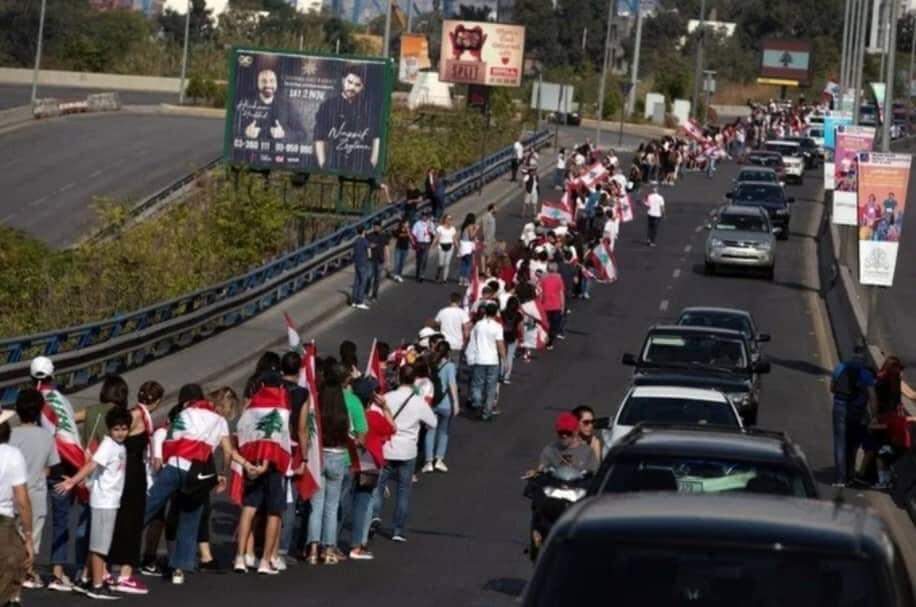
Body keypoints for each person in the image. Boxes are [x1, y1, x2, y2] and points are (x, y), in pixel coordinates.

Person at [144, 384, 260, 585]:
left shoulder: (188, 411)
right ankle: (179, 568)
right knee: (190, 519)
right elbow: (227, 452)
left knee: (148, 507)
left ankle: (119, 553)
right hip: (196, 474)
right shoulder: (220, 421)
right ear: (224, 407)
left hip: (174, 465)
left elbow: (166, 434)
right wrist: (223, 474)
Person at [55, 407, 132, 600]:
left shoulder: (119, 446)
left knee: (98, 543)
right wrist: (72, 481)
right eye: (116, 429)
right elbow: (91, 465)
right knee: (100, 546)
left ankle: (85, 578)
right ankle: (97, 585)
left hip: (109, 500)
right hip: (104, 502)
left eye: (124, 428)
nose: (121, 432)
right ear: (109, 429)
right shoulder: (108, 445)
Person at [30, 356, 88, 593]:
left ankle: (29, 570)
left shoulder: (35, 400)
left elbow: (45, 435)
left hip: (46, 465)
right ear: (53, 375)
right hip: (65, 466)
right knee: (61, 520)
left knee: (33, 520)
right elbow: (68, 433)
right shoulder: (62, 400)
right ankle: (57, 573)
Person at [107, 381, 164, 595]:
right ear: (157, 401)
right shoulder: (137, 416)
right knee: (130, 521)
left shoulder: (138, 413)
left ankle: (115, 568)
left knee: (125, 520)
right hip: (131, 471)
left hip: (132, 469)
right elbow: (118, 437)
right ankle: (124, 573)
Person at [372, 365, 437, 542]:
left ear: (399, 378)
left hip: (387, 448)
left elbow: (373, 414)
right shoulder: (418, 402)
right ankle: (398, 530)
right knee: (403, 491)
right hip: (408, 450)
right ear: (414, 380)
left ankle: (374, 516)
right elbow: (433, 422)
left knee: (378, 485)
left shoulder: (387, 397)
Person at [9, 389, 58, 592]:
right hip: (36, 493)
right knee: (32, 537)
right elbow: (51, 465)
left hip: (11, 492)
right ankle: (28, 573)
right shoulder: (46, 437)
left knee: (12, 535)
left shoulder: (10, 434)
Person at [349, 377, 395, 560]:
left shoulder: (350, 411)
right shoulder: (374, 417)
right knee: (365, 504)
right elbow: (392, 427)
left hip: (349, 460)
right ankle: (359, 543)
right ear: (370, 399)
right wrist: (385, 407)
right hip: (370, 463)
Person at [314, 64, 380, 174]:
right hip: (334, 165)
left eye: (357, 85)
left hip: (361, 167)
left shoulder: (368, 108)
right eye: (349, 82)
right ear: (343, 80)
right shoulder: (328, 105)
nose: (352, 87)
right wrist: (322, 164)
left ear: (362, 87)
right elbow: (318, 136)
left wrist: (372, 163)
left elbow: (376, 137)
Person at [0, 408, 34, 607]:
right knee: (15, 563)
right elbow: (22, 500)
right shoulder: (12, 455)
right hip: (3, 521)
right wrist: (29, 536)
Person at [830, 347, 877, 487]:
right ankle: (850, 476)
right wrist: (874, 416)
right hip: (856, 410)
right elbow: (873, 397)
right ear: (863, 361)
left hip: (839, 405)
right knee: (852, 443)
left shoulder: (840, 367)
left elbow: (832, 388)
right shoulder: (866, 374)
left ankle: (840, 479)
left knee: (840, 442)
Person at [236, 66, 303, 142]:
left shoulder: (287, 106)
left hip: (278, 152)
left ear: (276, 83)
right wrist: (245, 132)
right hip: (251, 152)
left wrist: (284, 134)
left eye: (272, 81)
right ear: (258, 83)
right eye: (263, 81)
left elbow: (302, 134)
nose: (268, 85)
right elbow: (232, 127)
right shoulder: (245, 103)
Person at [422, 341, 460, 473]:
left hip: (431, 403)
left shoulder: (430, 364)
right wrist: (456, 402)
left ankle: (428, 461)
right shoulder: (450, 366)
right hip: (445, 403)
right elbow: (452, 385)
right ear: (448, 352)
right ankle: (439, 459)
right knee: (443, 432)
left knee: (430, 431)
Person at [466, 301, 506, 421]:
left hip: (479, 359)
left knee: (477, 384)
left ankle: (477, 401)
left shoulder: (478, 325)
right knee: (491, 387)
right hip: (493, 360)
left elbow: (472, 339)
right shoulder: (498, 327)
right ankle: (487, 412)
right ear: (495, 313)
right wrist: (504, 359)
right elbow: (500, 344)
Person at [434, 292, 471, 365]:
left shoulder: (442, 311)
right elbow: (466, 332)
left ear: (450, 301)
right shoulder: (463, 313)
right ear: (459, 302)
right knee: (454, 367)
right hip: (457, 344)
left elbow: (436, 324)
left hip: (444, 344)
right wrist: (466, 343)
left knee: (442, 365)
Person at [501, 296, 523, 384]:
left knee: (502, 355)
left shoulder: (502, 313)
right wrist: (521, 337)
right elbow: (520, 328)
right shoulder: (519, 315)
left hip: (502, 335)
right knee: (510, 355)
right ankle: (506, 376)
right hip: (513, 336)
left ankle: (500, 373)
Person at [432, 214, 458, 283]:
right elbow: (437, 237)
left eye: (451, 219)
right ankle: (437, 274)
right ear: (445, 220)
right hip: (441, 246)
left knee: (447, 263)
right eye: (448, 219)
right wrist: (433, 245)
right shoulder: (440, 228)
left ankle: (444, 279)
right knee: (441, 263)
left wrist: (458, 247)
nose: (450, 220)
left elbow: (454, 238)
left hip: (450, 247)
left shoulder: (453, 228)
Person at [367, 222, 389, 302]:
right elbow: (366, 246)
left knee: (377, 279)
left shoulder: (384, 236)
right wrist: (370, 246)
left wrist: (387, 261)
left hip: (380, 260)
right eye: (374, 226)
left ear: (380, 227)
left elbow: (386, 248)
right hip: (371, 260)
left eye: (377, 226)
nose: (376, 228)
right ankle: (366, 292)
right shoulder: (369, 236)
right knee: (369, 277)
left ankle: (374, 295)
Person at [351, 225, 371, 310]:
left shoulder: (355, 240)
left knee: (356, 282)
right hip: (363, 263)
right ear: (363, 231)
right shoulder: (364, 241)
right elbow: (369, 253)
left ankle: (354, 301)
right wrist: (369, 258)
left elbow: (353, 252)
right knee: (363, 282)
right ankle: (360, 301)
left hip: (357, 263)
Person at [412, 211, 434, 282]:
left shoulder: (430, 223)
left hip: (427, 243)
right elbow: (414, 234)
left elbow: (433, 232)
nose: (424, 217)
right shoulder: (417, 224)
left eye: (426, 216)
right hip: (419, 243)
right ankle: (417, 274)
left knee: (425, 259)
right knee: (419, 259)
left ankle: (422, 275)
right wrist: (414, 243)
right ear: (421, 216)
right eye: (423, 215)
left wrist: (430, 227)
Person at [457, 213, 479, 287]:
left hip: (463, 246)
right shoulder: (470, 226)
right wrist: (476, 229)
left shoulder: (464, 226)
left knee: (463, 263)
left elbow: (462, 236)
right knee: (468, 264)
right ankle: (466, 279)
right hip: (467, 246)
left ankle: (461, 279)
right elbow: (471, 236)